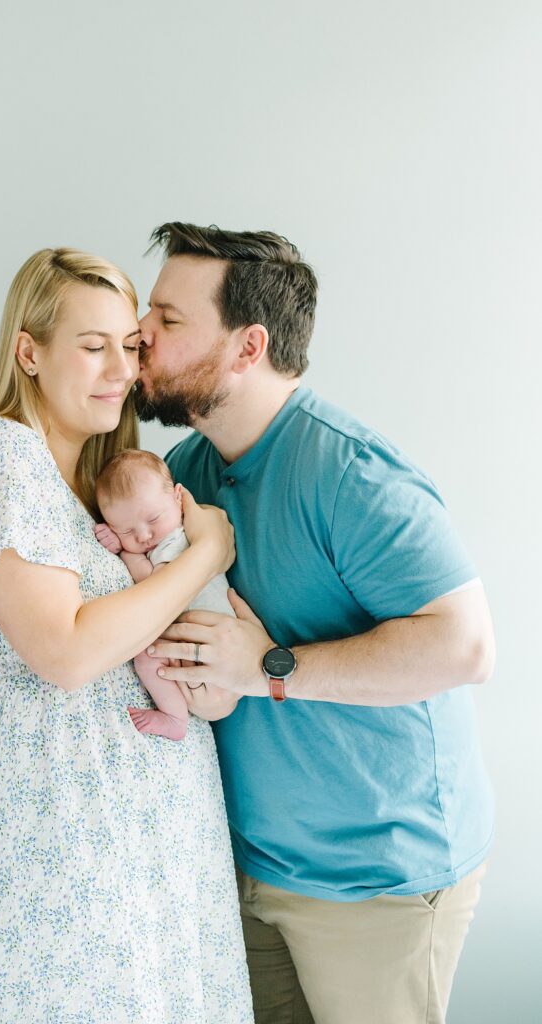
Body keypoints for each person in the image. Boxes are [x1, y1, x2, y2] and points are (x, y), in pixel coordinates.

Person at [134, 222, 495, 1024]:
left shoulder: (350, 473)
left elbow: (464, 645)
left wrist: (267, 667)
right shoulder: (183, 476)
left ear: (247, 347)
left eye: (167, 318)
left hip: (377, 882)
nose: (139, 334)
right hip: (249, 866)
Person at [0, 247, 254, 1024]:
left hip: (154, 818)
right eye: (93, 346)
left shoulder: (102, 484)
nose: (121, 369)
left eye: (128, 346)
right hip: (61, 811)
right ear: (29, 351)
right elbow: (65, 654)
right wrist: (204, 555)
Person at [94, 448, 234, 740]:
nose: (144, 536)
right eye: (126, 531)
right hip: (207, 648)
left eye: (153, 519)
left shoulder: (177, 540)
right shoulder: (164, 538)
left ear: (178, 497)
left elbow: (155, 586)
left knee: (146, 658)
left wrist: (125, 552)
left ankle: (174, 718)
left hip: (213, 650)